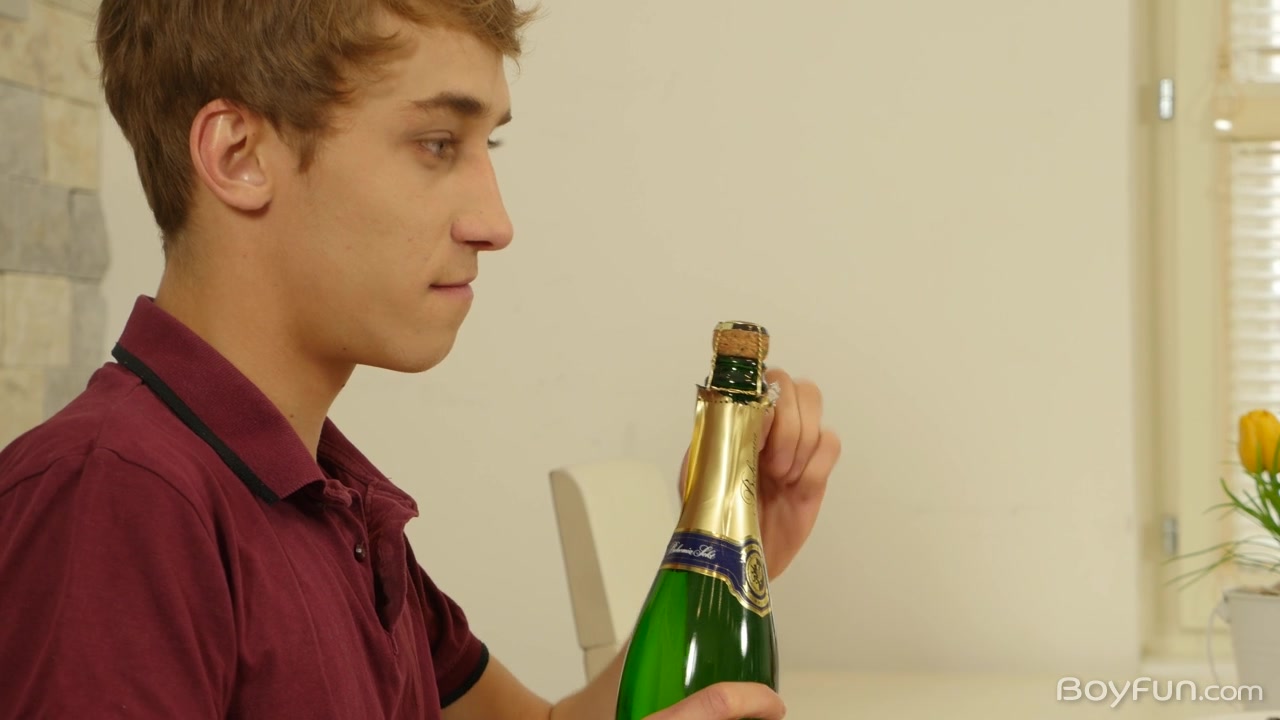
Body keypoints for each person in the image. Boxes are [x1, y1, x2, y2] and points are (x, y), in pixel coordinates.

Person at [0, 1, 842, 718]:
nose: (495, 223)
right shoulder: (114, 499)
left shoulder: (331, 501)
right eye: (437, 143)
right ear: (238, 155)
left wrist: (727, 542)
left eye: (487, 148)